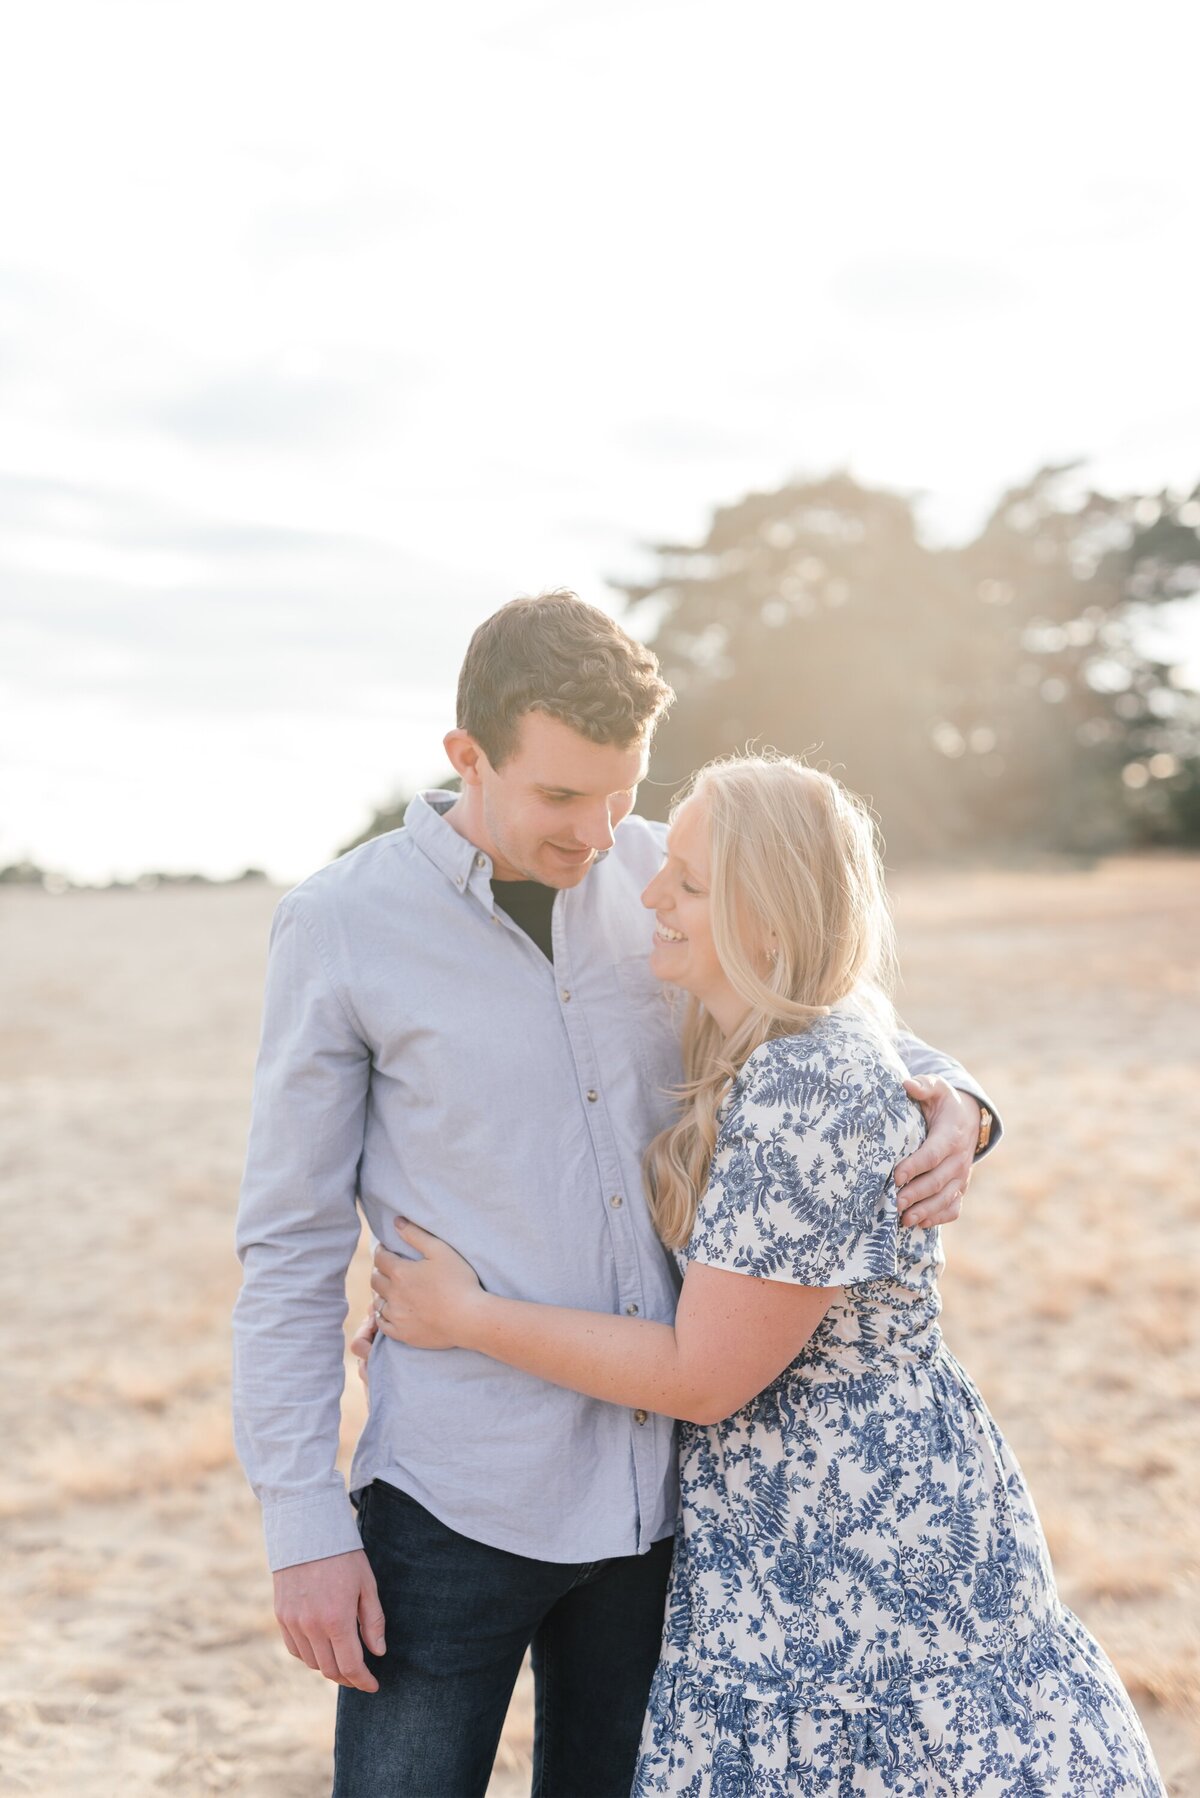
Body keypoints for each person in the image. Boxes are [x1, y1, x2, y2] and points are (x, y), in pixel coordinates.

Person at [232, 593, 1000, 1798]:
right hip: (454, 1498)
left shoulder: (669, 874)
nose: (597, 832)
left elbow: (829, 1014)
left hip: (670, 1500)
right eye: (558, 795)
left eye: (621, 790)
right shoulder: (340, 926)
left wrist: (961, 1097)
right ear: (466, 757)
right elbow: (288, 1246)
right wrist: (303, 1528)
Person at [367, 752, 1165, 1797]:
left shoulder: (808, 1083)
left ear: (772, 923)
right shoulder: (756, 1035)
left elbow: (704, 1375)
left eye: (689, 881)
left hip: (857, 1539)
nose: (651, 889)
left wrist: (468, 1315)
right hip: (789, 1520)